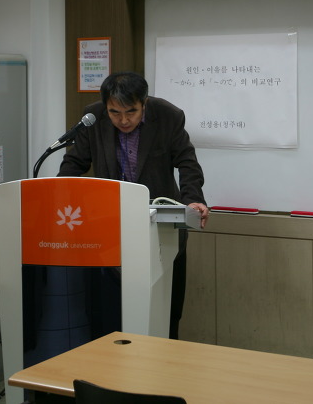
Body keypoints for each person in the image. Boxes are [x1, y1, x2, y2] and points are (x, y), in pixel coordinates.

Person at [57, 71, 208, 338]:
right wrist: (57, 195)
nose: (124, 120)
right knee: (112, 310)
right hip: (111, 228)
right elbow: (74, 163)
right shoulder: (93, 118)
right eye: (115, 113)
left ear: (144, 103)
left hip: (161, 228)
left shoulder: (168, 116)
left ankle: (165, 360)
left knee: (166, 310)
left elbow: (187, 162)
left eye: (131, 112)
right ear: (106, 107)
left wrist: (193, 199)